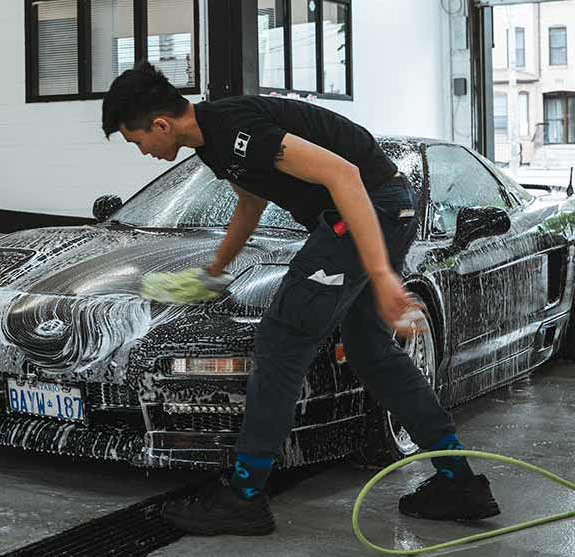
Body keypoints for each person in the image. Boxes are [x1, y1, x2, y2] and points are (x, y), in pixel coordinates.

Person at [101, 62, 500, 536]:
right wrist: (215, 269)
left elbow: (344, 174)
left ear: (160, 124)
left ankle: (245, 497)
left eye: (137, 141)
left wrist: (383, 276)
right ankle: (459, 480)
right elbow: (252, 202)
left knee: (280, 342)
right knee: (372, 351)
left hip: (365, 209)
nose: (143, 151)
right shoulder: (212, 142)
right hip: (374, 210)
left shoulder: (233, 130)